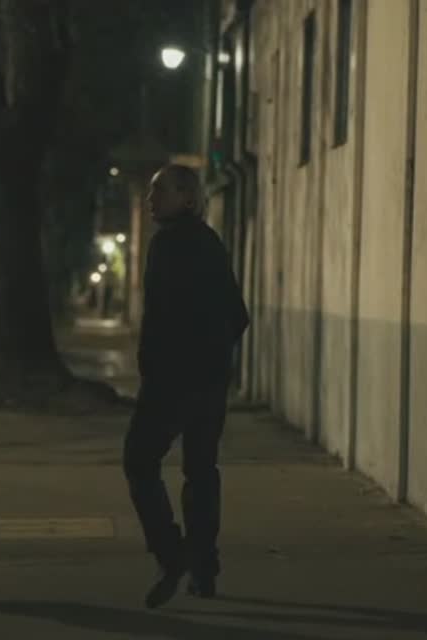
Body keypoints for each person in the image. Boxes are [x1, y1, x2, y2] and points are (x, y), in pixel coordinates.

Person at [123, 164, 250, 608]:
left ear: (188, 198)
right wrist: (213, 360)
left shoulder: (166, 245)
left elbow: (160, 317)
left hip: (170, 381)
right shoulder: (211, 244)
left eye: (160, 191)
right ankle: (203, 568)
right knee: (201, 470)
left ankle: (169, 552)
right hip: (209, 380)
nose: (150, 199)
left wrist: (156, 365)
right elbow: (238, 315)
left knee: (139, 460)